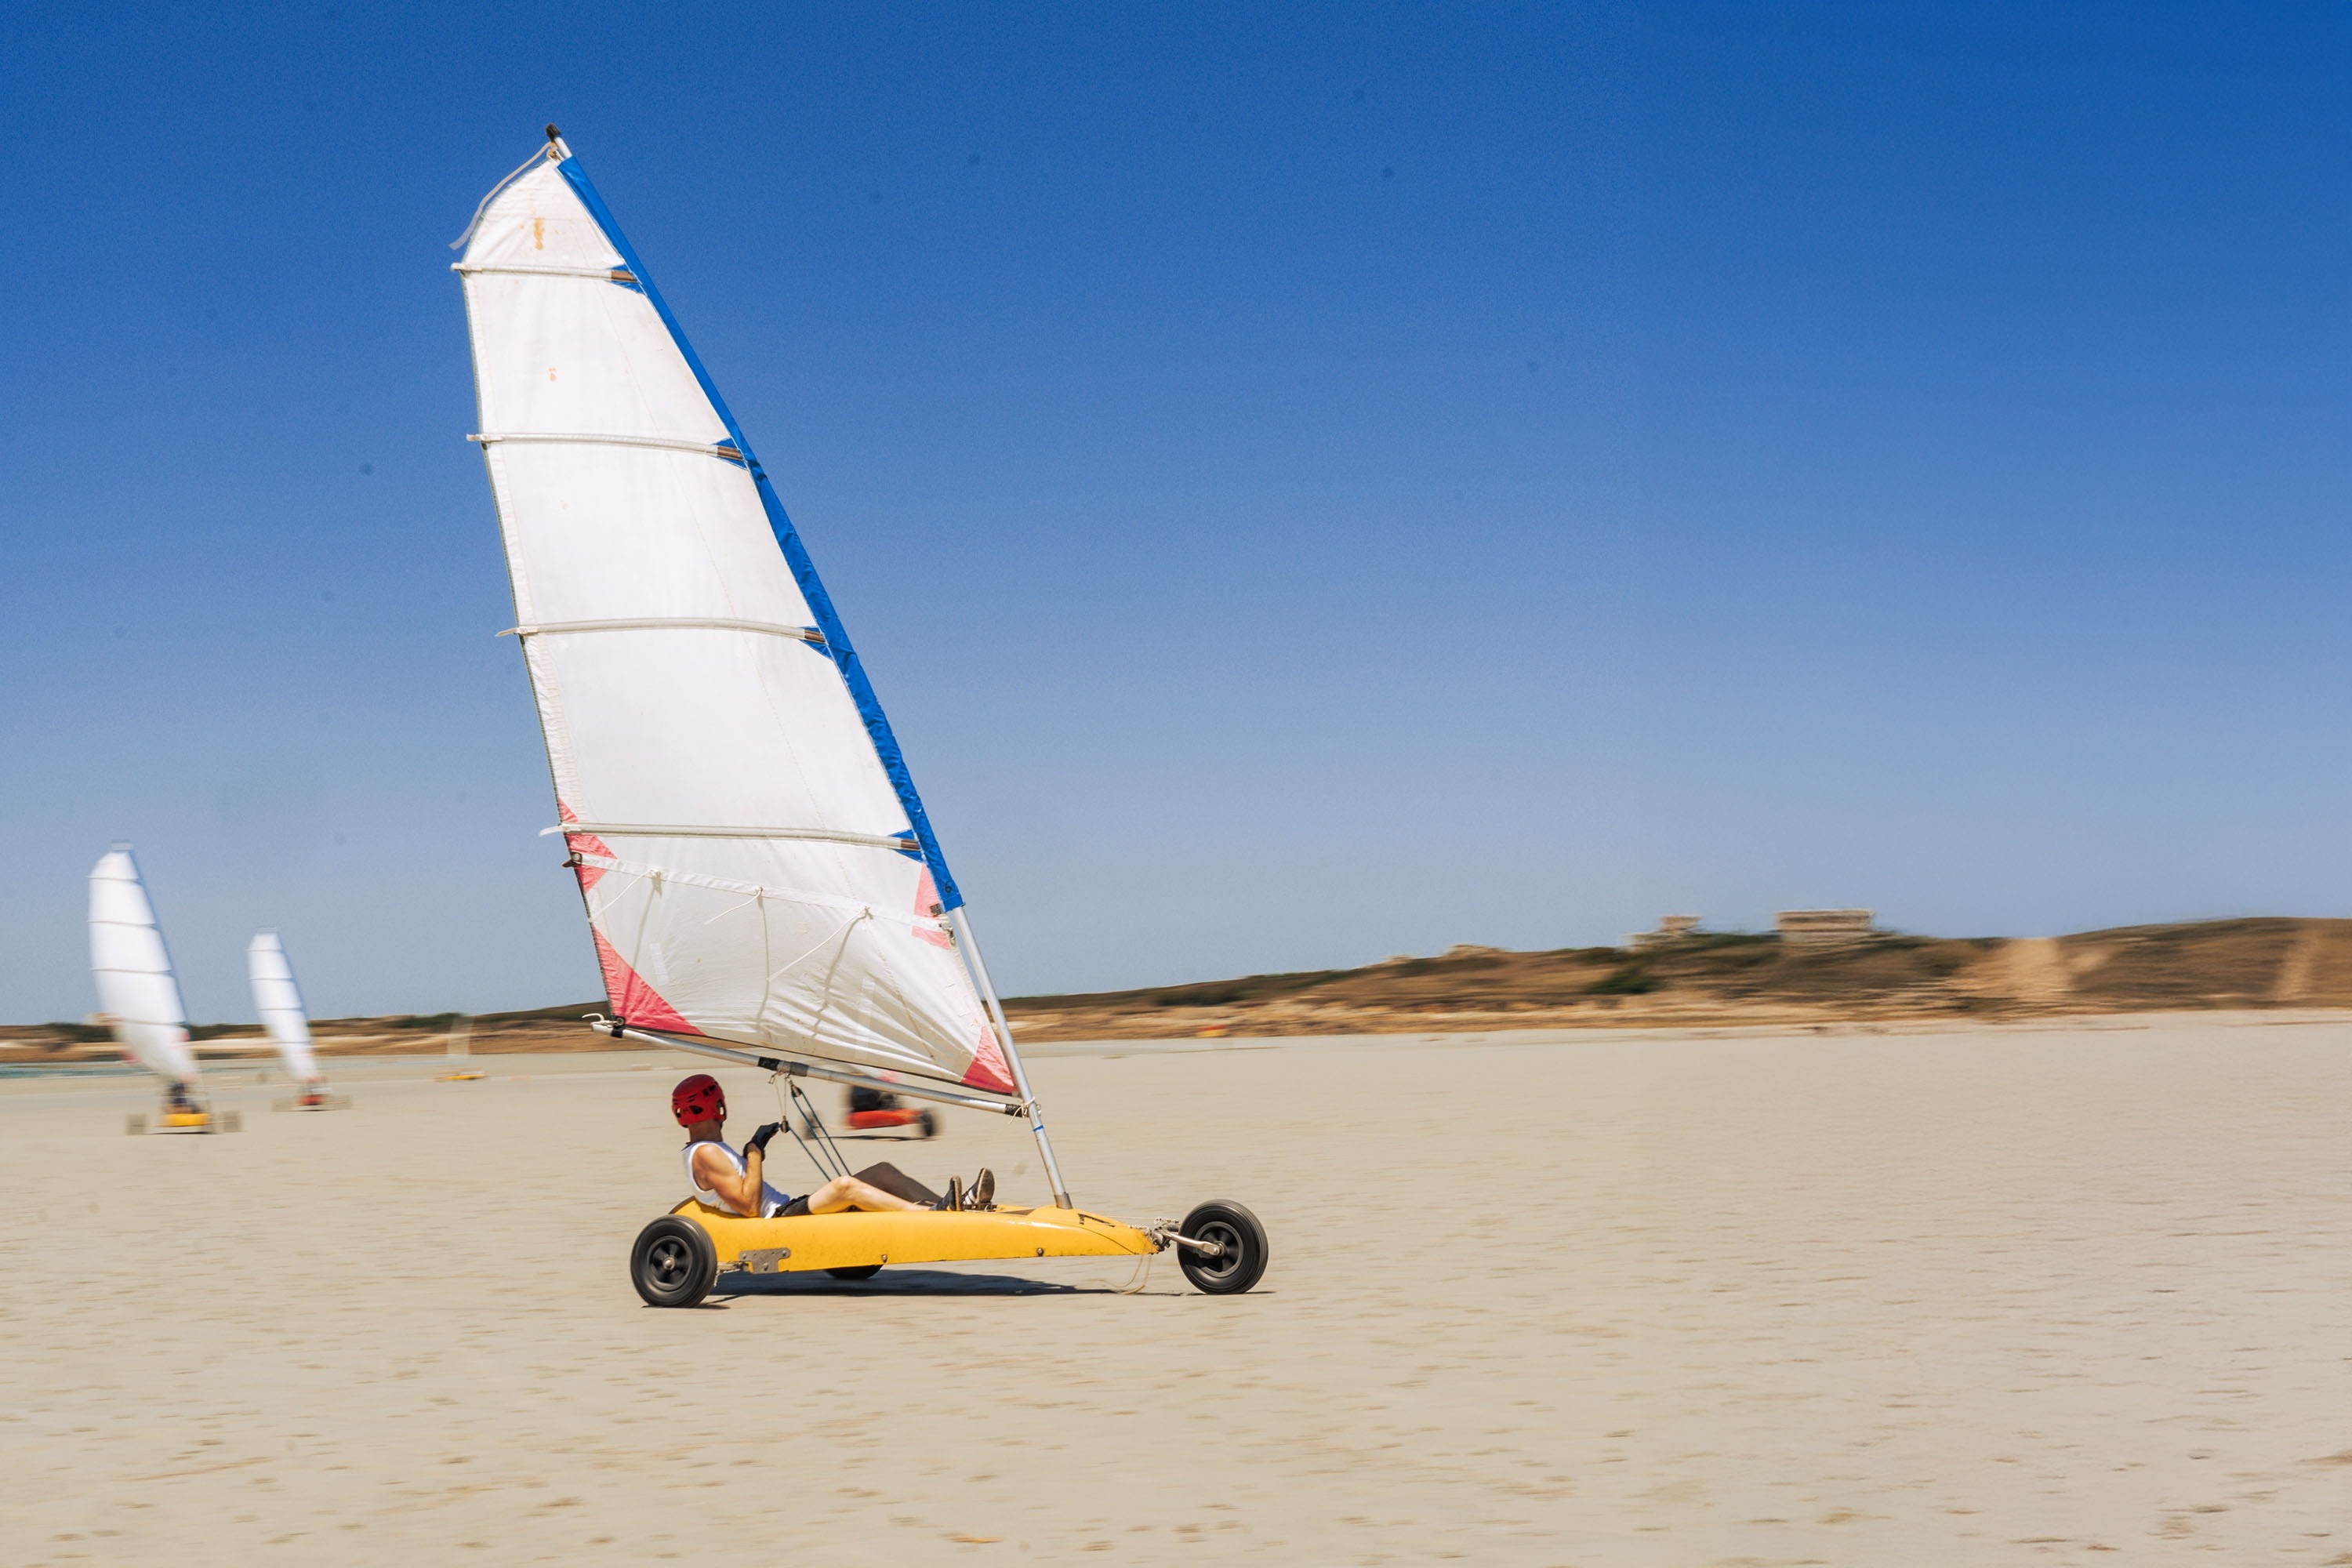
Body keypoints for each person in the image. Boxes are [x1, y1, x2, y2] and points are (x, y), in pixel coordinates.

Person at [670, 1073, 993, 1217]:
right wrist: (754, 1150)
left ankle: (952, 1208)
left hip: (790, 1207)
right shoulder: (707, 1153)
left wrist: (754, 1150)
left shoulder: (706, 1152)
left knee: (882, 1171)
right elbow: (750, 1207)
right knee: (844, 1186)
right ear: (719, 1106)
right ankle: (932, 1216)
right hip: (779, 1217)